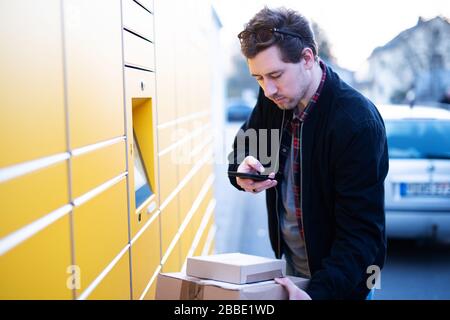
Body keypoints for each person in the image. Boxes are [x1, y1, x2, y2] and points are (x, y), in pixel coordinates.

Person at [227, 7, 388, 300]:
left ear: (307, 58)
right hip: (292, 274)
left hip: (346, 284)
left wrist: (318, 295)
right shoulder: (273, 104)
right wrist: (243, 171)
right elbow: (245, 150)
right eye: (259, 78)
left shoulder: (356, 123)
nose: (268, 90)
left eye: (275, 75)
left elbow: (361, 235)